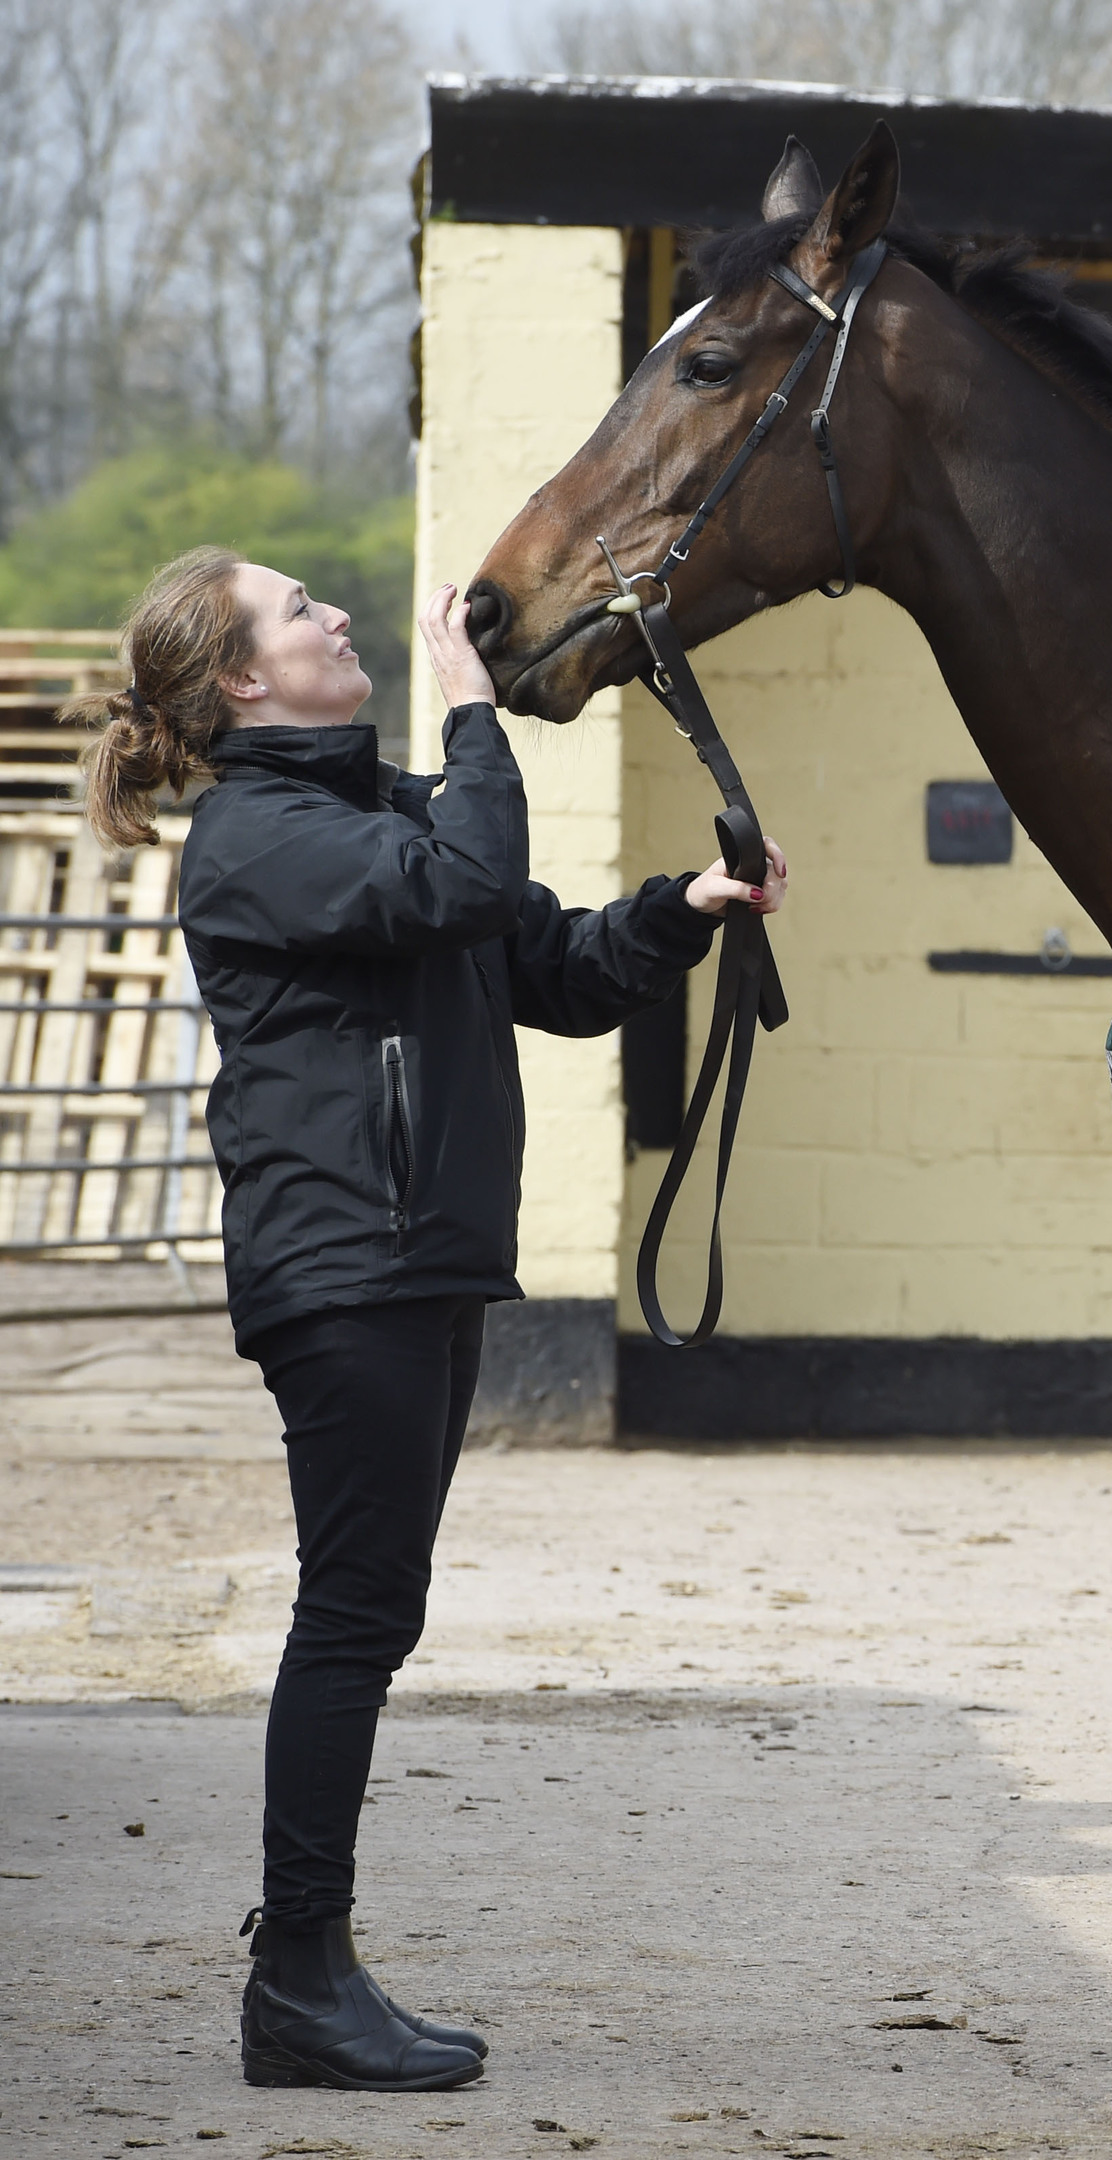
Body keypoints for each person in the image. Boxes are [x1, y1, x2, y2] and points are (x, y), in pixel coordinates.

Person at [70, 551, 787, 2093]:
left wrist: (683, 912)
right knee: (351, 1617)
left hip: (415, 1263)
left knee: (368, 1612)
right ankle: (300, 1983)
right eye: (300, 611)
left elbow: (545, 962)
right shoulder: (260, 836)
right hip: (345, 1269)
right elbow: (464, 885)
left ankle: (308, 1973)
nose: (338, 616)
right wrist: (479, 718)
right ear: (246, 682)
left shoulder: (378, 813)